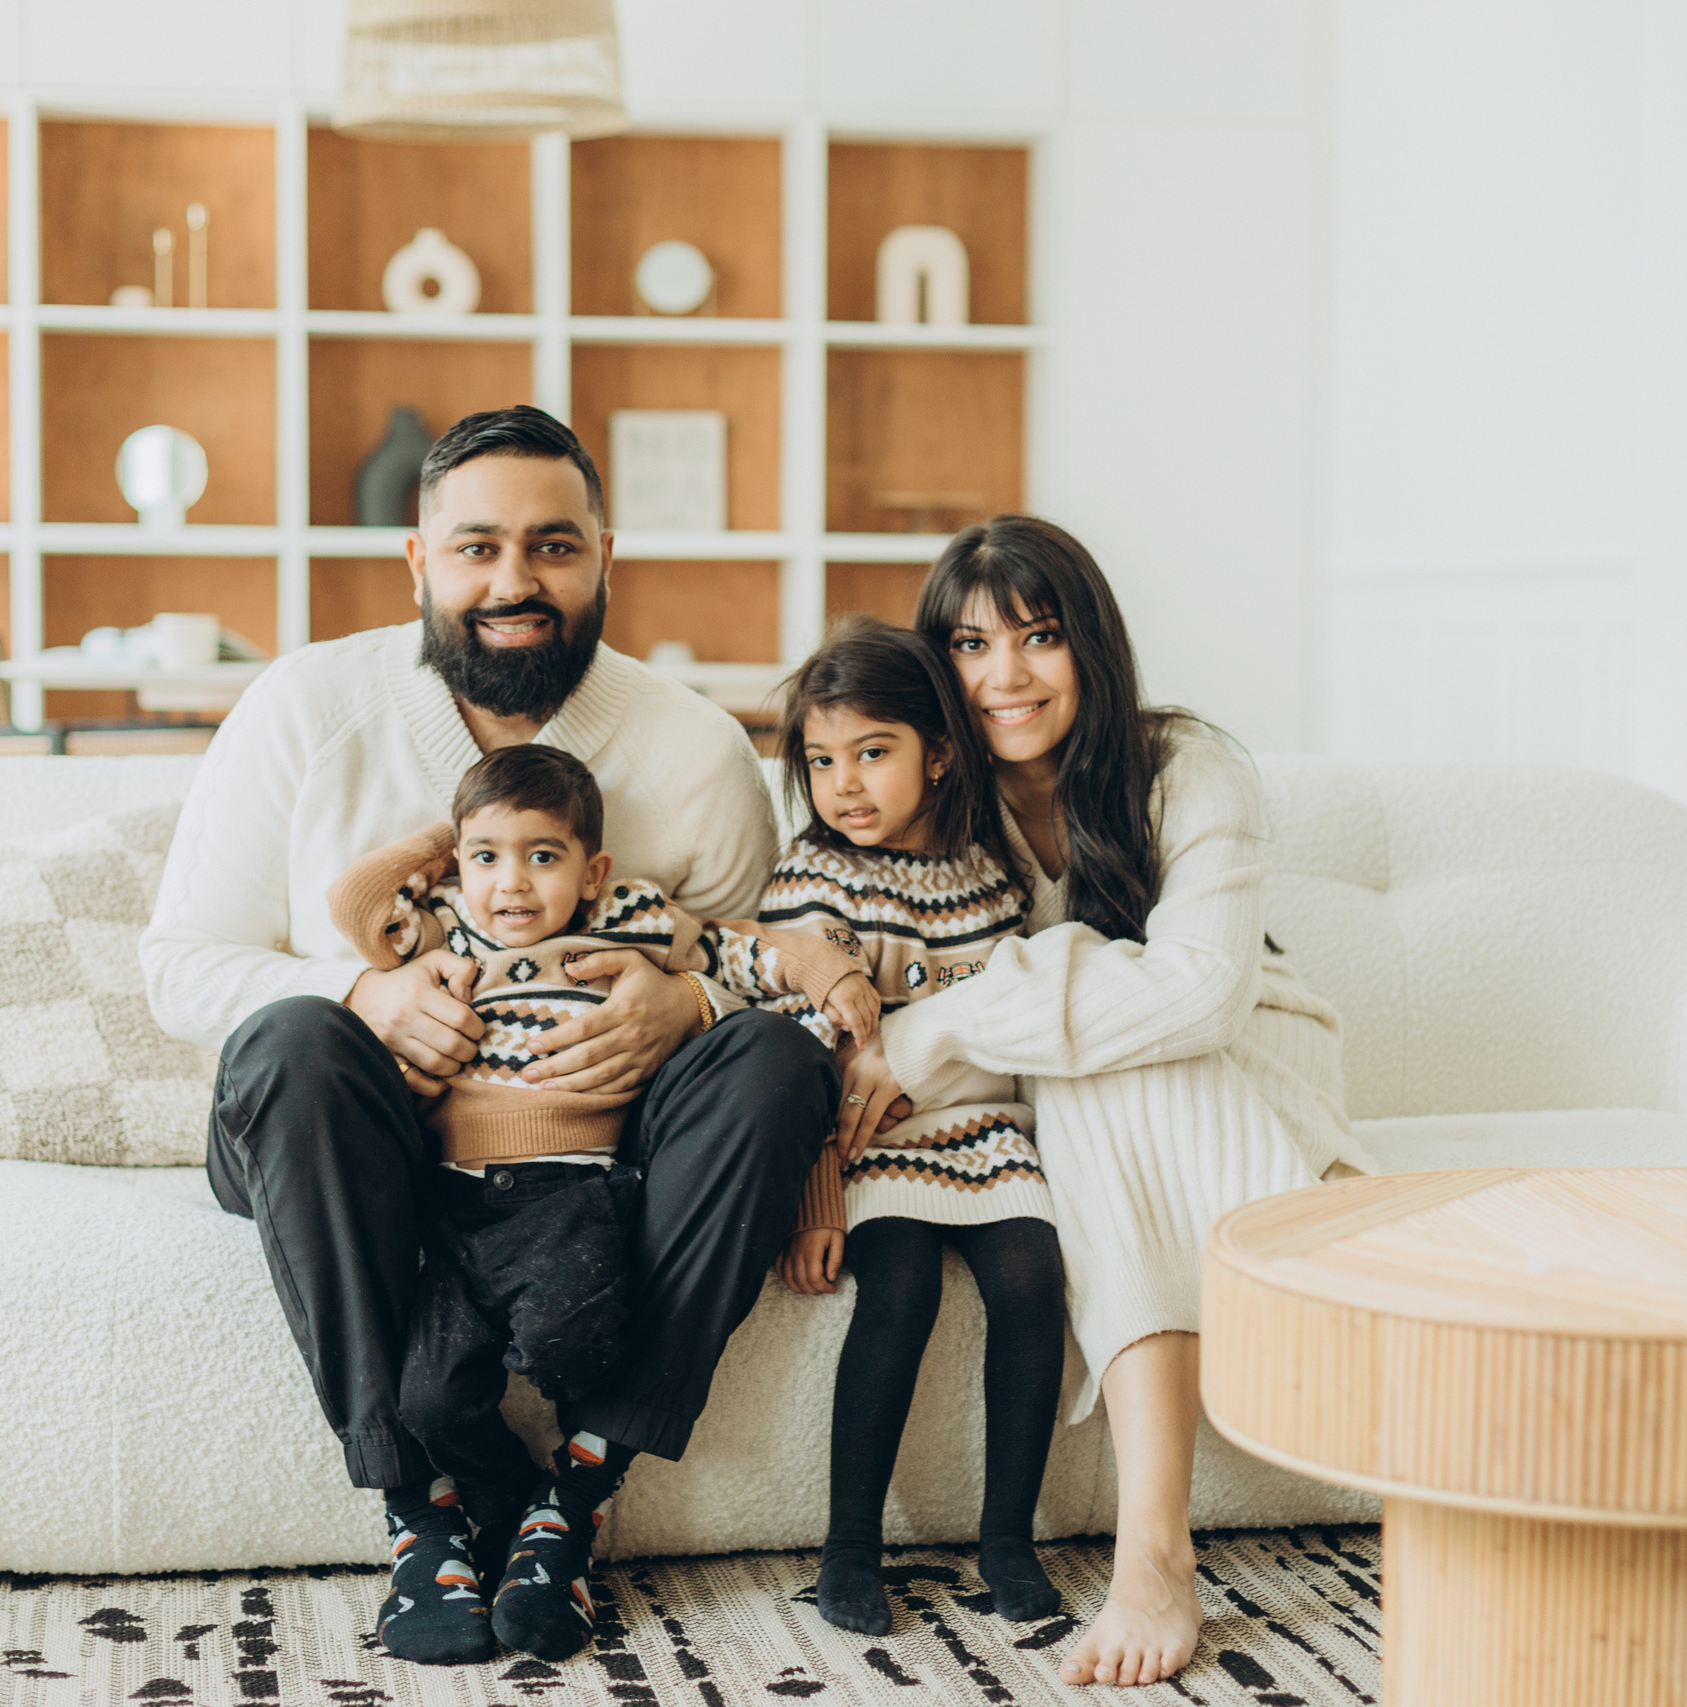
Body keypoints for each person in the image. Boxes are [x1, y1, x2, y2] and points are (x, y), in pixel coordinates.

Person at [139, 405, 843, 1666]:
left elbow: (767, 963)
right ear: (418, 562)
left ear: (604, 557)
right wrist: (364, 996)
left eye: (552, 546)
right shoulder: (307, 707)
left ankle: (575, 1496)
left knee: (776, 1060)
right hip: (338, 1140)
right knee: (299, 1035)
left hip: (580, 1163)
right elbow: (178, 968)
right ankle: (422, 1507)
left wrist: (695, 1006)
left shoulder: (690, 747)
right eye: (475, 548)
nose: (513, 582)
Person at [856, 516, 1377, 1688]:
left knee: (1111, 1061)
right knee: (1094, 1067)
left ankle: (1156, 1552)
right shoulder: (928, 788)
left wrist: (938, 1027)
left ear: (1089, 645)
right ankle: (1158, 1547)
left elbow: (1199, 995)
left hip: (1257, 1065)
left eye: (1038, 638)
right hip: (1068, 1088)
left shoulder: (1187, 766)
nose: (1005, 677)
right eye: (972, 644)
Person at [325, 743, 880, 1664]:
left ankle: (572, 1494)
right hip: (454, 1207)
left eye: (542, 855)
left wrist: (830, 976)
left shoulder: (628, 921)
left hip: (575, 1195)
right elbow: (355, 906)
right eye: (487, 857)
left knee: (567, 1341)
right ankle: (510, 1502)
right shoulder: (442, 930)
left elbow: (748, 946)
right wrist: (447, 840)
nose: (511, 883)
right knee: (427, 1397)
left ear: (595, 871)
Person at [760, 622, 1069, 1638]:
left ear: (938, 753)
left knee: (1030, 1280)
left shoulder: (992, 879)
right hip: (868, 1149)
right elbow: (799, 1060)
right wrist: (812, 1203)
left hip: (984, 1134)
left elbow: (1025, 1011)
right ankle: (850, 1548)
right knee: (895, 1291)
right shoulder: (815, 882)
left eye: (871, 752)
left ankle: (1007, 1541)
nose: (842, 783)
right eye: (820, 759)